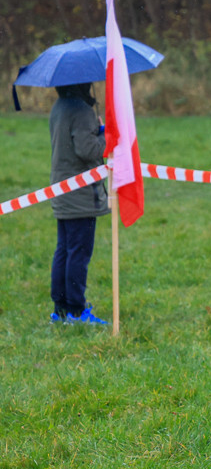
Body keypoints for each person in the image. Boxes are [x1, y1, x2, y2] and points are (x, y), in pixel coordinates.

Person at [49, 82, 110, 325]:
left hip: (62, 190)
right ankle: (76, 311)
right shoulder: (82, 111)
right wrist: (106, 134)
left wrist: (96, 128)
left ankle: (61, 309)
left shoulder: (60, 106)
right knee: (79, 253)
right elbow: (89, 151)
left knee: (64, 250)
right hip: (81, 194)